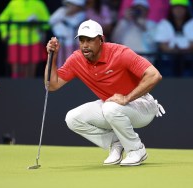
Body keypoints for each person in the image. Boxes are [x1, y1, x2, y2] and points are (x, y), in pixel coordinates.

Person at [45, 19, 165, 166]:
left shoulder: (120, 53)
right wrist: (53, 57)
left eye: (89, 40)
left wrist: (127, 98)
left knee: (110, 107)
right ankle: (116, 142)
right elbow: (51, 85)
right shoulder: (77, 59)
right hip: (113, 106)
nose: (85, 45)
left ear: (101, 40)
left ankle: (136, 150)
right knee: (72, 118)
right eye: (82, 41)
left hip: (143, 106)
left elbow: (154, 75)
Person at [0, 0, 50, 78]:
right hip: (15, 41)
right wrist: (4, 33)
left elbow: (48, 23)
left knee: (30, 74)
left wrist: (38, 23)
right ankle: (16, 89)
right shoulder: (13, 3)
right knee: (16, 73)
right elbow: (1, 19)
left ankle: (29, 89)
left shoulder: (39, 4)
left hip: (33, 41)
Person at [154, 0, 193, 76]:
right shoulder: (164, 23)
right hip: (168, 61)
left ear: (186, 9)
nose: (178, 10)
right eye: (176, 8)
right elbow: (162, 44)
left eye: (181, 8)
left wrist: (181, 51)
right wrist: (174, 51)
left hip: (190, 61)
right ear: (171, 9)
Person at [49, 0, 86, 68]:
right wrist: (64, 15)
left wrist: (65, 18)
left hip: (75, 44)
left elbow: (74, 23)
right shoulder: (61, 11)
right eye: (69, 4)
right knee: (61, 62)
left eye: (72, 5)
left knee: (75, 62)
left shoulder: (82, 14)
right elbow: (51, 21)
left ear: (78, 6)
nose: (70, 7)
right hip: (62, 43)